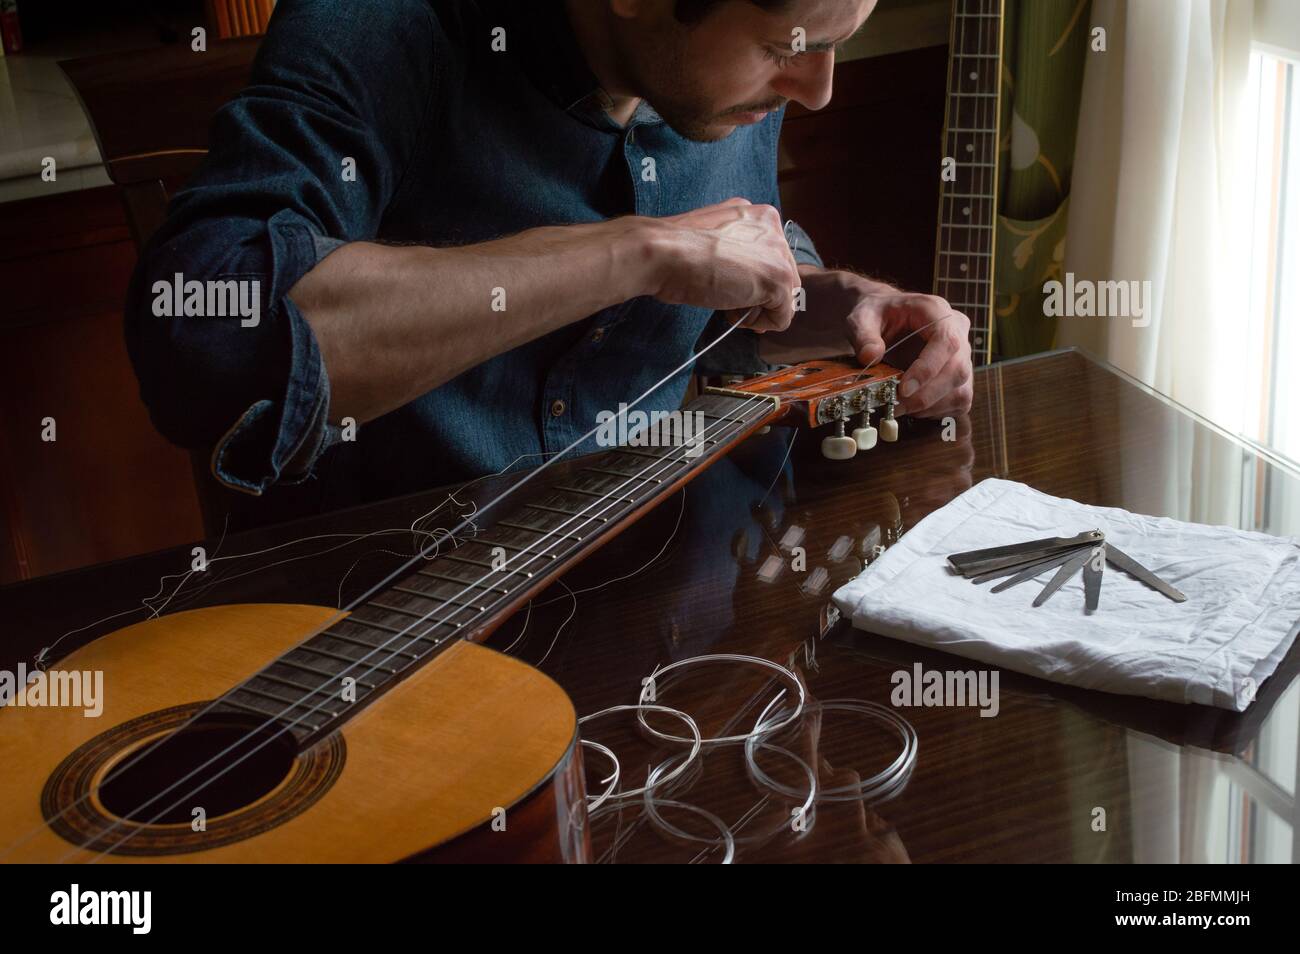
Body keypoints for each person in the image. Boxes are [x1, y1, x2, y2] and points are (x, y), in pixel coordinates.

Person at [126, 0, 973, 525]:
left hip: (679, 603)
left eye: (836, 42)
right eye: (787, 46)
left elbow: (722, 296)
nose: (817, 89)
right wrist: (636, 251)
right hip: (406, 636)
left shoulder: (734, 75)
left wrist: (850, 304)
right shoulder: (381, 25)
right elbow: (200, 338)